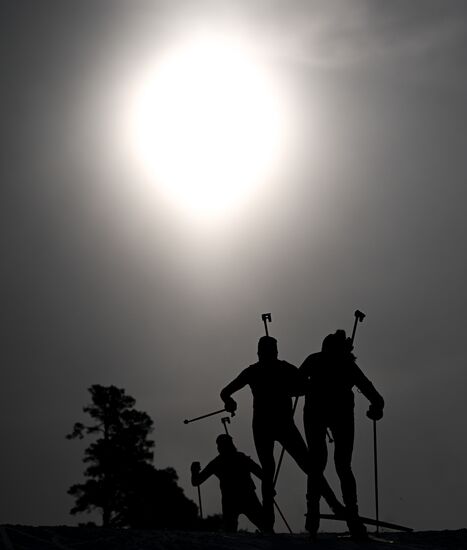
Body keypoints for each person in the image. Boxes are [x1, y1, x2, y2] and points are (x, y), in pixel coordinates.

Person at [220, 335, 343, 531]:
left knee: (288, 469)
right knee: (296, 467)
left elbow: (225, 392)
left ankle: (331, 505)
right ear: (268, 352)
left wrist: (229, 401)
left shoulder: (262, 370)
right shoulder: (277, 369)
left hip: (271, 425)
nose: (269, 355)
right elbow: (305, 387)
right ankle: (332, 505)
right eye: (270, 351)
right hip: (275, 426)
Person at [300, 329, 385, 540]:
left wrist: (376, 406)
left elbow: (295, 385)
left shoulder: (318, 360)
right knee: (336, 465)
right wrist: (376, 408)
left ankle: (315, 518)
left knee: (322, 465)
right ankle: (349, 519)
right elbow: (373, 394)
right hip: (328, 415)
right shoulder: (345, 363)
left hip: (322, 414)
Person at [191, 434, 266, 532]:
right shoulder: (240, 458)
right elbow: (262, 475)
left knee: (231, 531)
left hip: (233, 499)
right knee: (264, 527)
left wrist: (194, 471)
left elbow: (196, 481)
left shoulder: (218, 462)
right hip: (245, 497)